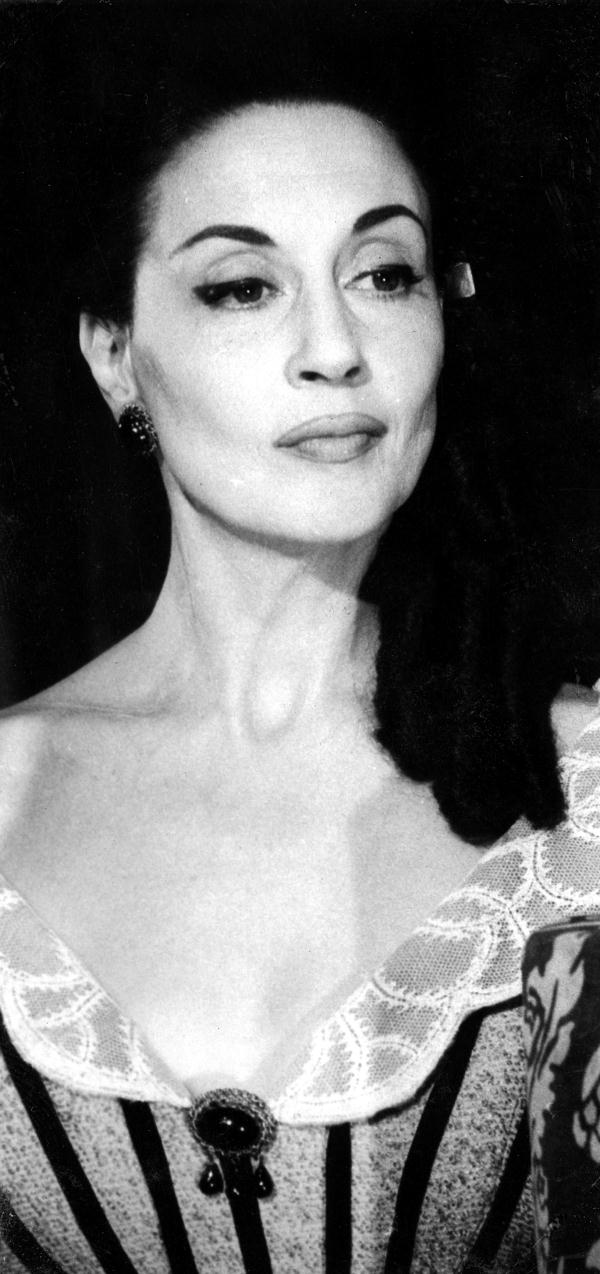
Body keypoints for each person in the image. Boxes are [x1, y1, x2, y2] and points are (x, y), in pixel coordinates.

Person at [0, 6, 599, 1271]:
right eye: (241, 287)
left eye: (384, 274)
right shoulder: (7, 786)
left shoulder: (584, 794)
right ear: (114, 353)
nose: (335, 350)